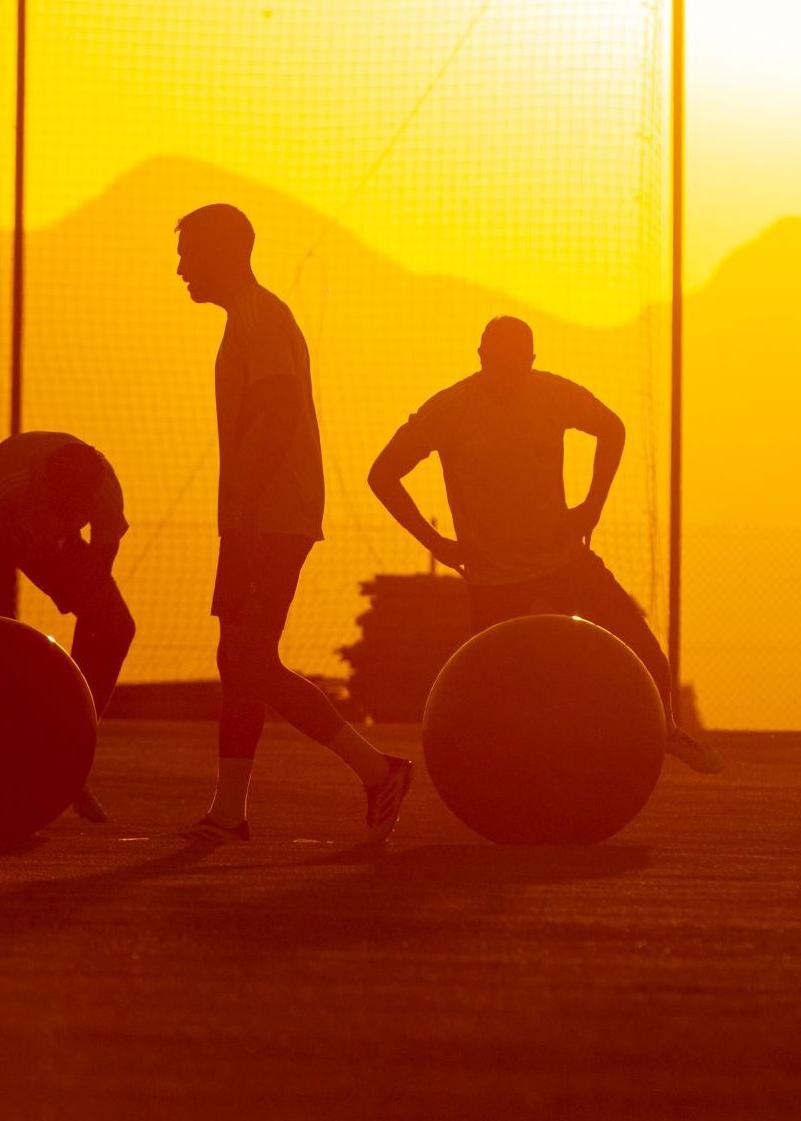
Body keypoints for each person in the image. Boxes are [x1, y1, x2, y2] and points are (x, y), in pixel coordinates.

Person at [367, 316, 725, 773]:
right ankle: (488, 774)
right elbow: (383, 475)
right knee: (494, 692)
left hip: (564, 562)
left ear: (532, 361)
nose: (507, 375)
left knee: (644, 651)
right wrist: (437, 542)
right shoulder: (449, 409)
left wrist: (592, 505)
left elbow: (612, 428)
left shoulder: (551, 393)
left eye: (517, 364)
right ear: (480, 358)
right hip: (493, 581)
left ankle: (667, 731)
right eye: (497, 362)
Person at [175, 203, 412, 844]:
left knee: (249, 658)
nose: (179, 270)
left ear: (223, 252)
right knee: (242, 658)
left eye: (188, 253)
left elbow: (278, 411)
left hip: (270, 521)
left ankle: (376, 769)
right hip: (257, 519)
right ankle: (229, 812)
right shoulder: (249, 319)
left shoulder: (258, 317)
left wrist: (247, 515)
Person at [0, 431, 134, 822]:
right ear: (45, 484)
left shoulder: (105, 492)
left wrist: (87, 609)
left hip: (57, 545)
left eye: (78, 507)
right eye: (62, 504)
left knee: (114, 627)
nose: (70, 511)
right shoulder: (8, 484)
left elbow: (99, 566)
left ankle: (71, 749)